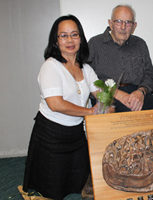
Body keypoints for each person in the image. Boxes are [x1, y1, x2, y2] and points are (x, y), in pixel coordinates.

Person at [22, 15, 101, 200]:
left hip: (76, 134)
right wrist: (90, 111)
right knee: (52, 189)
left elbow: (101, 93)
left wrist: (107, 106)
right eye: (63, 36)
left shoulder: (86, 69)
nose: (70, 40)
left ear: (81, 38)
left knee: (81, 182)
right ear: (56, 41)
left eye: (74, 35)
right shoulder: (51, 66)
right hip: (52, 134)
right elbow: (55, 104)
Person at [88, 4, 153, 112]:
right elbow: (86, 78)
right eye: (119, 21)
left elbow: (150, 75)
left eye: (128, 22)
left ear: (134, 26)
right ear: (110, 23)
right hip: (109, 97)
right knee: (124, 114)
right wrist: (115, 93)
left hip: (136, 94)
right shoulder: (95, 44)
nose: (123, 27)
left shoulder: (140, 44)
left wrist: (141, 92)